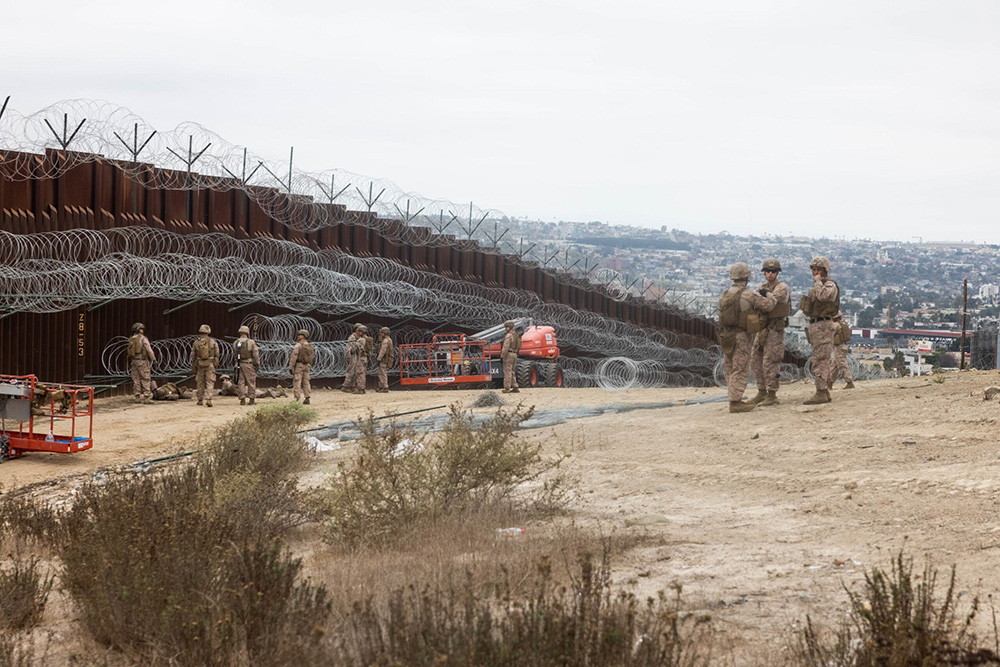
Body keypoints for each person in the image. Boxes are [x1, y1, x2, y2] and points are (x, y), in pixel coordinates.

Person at [718, 262, 776, 413]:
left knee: (730, 367)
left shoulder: (725, 294)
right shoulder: (748, 294)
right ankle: (735, 402)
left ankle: (733, 396)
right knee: (741, 367)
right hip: (742, 335)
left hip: (727, 335)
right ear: (746, 277)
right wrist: (767, 293)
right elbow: (770, 305)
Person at [749, 259, 791, 407]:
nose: (770, 274)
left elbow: (768, 305)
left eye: (773, 271)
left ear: (777, 273)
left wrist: (764, 296)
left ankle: (772, 393)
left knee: (770, 360)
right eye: (767, 271)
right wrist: (764, 296)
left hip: (774, 328)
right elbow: (755, 302)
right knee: (756, 359)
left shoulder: (782, 287)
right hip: (762, 328)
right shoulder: (761, 287)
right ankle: (762, 391)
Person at [800, 256, 840, 404]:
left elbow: (825, 297)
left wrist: (818, 282)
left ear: (824, 270)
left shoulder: (829, 285)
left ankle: (821, 391)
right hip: (816, 325)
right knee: (818, 357)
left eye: (817, 270)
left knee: (820, 359)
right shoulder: (818, 285)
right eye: (813, 270)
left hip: (823, 325)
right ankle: (824, 391)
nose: (815, 273)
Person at [191, 324, 220, 407]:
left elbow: (193, 355)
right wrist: (216, 361)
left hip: (200, 364)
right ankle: (208, 399)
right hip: (210, 363)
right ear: (208, 332)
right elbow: (217, 353)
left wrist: (194, 363)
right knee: (210, 382)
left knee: (200, 382)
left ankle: (200, 400)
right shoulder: (212, 342)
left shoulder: (196, 343)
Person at [128, 322, 156, 403]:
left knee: (136, 379)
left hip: (134, 361)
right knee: (145, 378)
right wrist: (153, 359)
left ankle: (137, 396)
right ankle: (147, 396)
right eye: (141, 329)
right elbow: (149, 350)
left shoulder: (132, 338)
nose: (142, 330)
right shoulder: (143, 338)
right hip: (142, 361)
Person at [233, 324, 261, 405]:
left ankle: (242, 399)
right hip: (248, 364)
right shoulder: (251, 342)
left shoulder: (236, 342)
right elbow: (255, 354)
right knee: (251, 381)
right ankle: (251, 399)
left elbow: (235, 354)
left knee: (240, 382)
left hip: (238, 364)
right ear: (247, 333)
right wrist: (257, 364)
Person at [289, 328, 314, 404]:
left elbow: (294, 356)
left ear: (303, 336)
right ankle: (307, 397)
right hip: (307, 365)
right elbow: (311, 356)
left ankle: (297, 398)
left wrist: (291, 366)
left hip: (299, 365)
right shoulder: (309, 345)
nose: (298, 336)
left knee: (297, 381)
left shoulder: (298, 345)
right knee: (306, 382)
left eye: (300, 335)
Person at [501, 320, 521, 393]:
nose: (505, 329)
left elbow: (505, 347)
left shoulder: (509, 335)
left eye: (506, 327)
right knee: (512, 370)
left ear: (509, 327)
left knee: (507, 371)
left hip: (509, 354)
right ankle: (515, 386)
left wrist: (502, 356)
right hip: (515, 353)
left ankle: (507, 387)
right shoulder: (516, 335)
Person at [376, 327, 393, 393]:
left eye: (382, 333)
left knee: (382, 373)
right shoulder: (388, 339)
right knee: (381, 372)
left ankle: (385, 387)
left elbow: (383, 350)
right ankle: (382, 386)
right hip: (385, 358)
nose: (380, 334)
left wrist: (379, 358)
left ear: (385, 333)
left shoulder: (386, 340)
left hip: (384, 358)